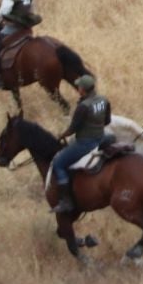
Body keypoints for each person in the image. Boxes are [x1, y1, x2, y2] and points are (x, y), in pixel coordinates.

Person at [49, 74, 111, 215]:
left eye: (79, 87)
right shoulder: (104, 100)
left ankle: (66, 201)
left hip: (86, 143)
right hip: (101, 137)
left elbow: (73, 129)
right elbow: (107, 121)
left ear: (83, 90)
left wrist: (61, 135)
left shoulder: (83, 106)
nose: (77, 88)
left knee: (58, 163)